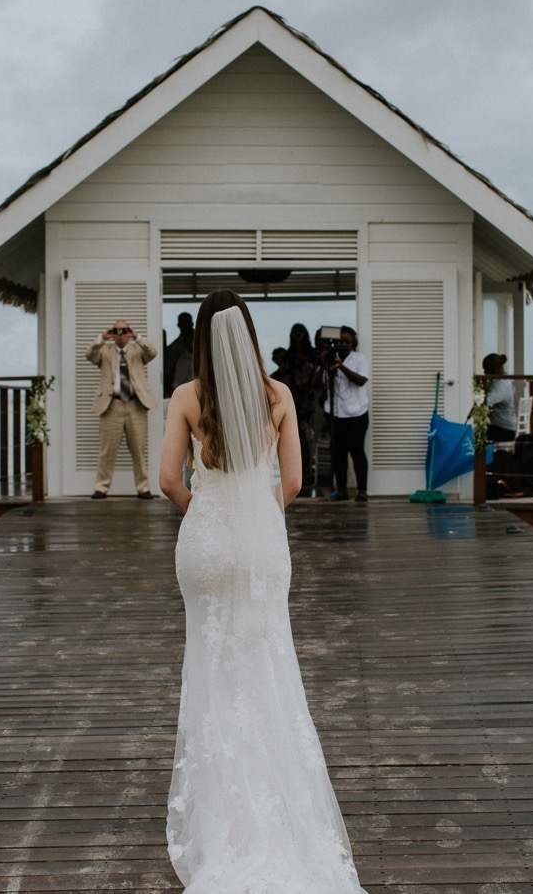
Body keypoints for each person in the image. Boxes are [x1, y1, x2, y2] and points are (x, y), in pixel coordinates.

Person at [158, 290, 367, 893]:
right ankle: (274, 809)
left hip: (206, 545)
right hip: (261, 544)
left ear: (200, 338)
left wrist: (210, 514)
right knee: (267, 666)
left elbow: (169, 479)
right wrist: (255, 513)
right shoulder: (278, 394)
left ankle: (223, 816)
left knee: (211, 667)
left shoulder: (186, 397)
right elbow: (297, 480)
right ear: (248, 333)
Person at [87, 319, 158, 499]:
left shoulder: (137, 350)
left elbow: (153, 352)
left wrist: (136, 336)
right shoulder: (105, 351)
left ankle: (143, 488)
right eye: (117, 331)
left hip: (136, 405)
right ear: (112, 333)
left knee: (139, 450)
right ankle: (101, 488)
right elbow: (89, 354)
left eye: (123, 331)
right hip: (112, 405)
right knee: (107, 450)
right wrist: (103, 338)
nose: (120, 335)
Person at [319, 325, 370, 502]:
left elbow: (361, 381)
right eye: (340, 341)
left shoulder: (359, 359)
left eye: (347, 341)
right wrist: (323, 364)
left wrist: (341, 367)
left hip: (356, 412)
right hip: (335, 412)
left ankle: (362, 490)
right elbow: (318, 384)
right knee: (338, 453)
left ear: (353, 342)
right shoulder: (331, 359)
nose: (343, 344)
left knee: (357, 452)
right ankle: (341, 490)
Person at [282, 323, 320, 494]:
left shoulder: (313, 354)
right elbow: (286, 375)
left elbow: (317, 377)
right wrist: (294, 395)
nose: (298, 334)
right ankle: (297, 470)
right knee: (294, 433)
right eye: (295, 332)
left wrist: (307, 394)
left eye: (301, 332)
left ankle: (306, 469)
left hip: (309, 399)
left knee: (306, 435)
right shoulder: (289, 355)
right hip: (293, 397)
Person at [483, 352, 518, 443]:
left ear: (493, 370)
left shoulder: (500, 385)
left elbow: (486, 401)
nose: (484, 374)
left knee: (476, 433)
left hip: (504, 429)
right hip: (507, 426)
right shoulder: (506, 381)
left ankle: (482, 456)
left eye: (486, 370)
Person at [162, 312, 195, 397]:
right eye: (184, 323)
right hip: (183, 391)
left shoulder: (204, 346)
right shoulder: (174, 350)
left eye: (188, 323)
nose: (187, 325)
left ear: (192, 323)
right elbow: (167, 372)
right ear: (179, 325)